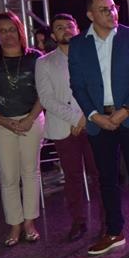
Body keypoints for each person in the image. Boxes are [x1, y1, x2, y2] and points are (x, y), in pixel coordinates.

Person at [68, 0, 129, 256]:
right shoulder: (78, 44)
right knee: (106, 179)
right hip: (99, 120)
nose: (112, 13)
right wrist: (94, 116)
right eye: (104, 9)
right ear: (90, 15)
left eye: (113, 7)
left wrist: (125, 110)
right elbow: (77, 85)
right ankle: (114, 231)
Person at [0, 11, 44, 247]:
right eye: (2, 31)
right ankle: (14, 224)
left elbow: (45, 92)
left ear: (20, 31)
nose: (8, 35)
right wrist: (3, 121)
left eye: (12, 29)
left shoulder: (35, 58)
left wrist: (30, 118)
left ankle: (30, 223)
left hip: (32, 119)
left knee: (30, 172)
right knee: (8, 175)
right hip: (0, 123)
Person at [35, 14, 103, 242]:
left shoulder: (93, 55)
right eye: (59, 28)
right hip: (64, 126)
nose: (65, 30)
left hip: (93, 122)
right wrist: (75, 119)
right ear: (53, 36)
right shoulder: (44, 62)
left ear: (77, 30)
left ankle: (108, 222)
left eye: (69, 26)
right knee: (72, 177)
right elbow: (46, 98)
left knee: (100, 174)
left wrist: (85, 117)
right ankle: (78, 221)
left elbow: (100, 88)